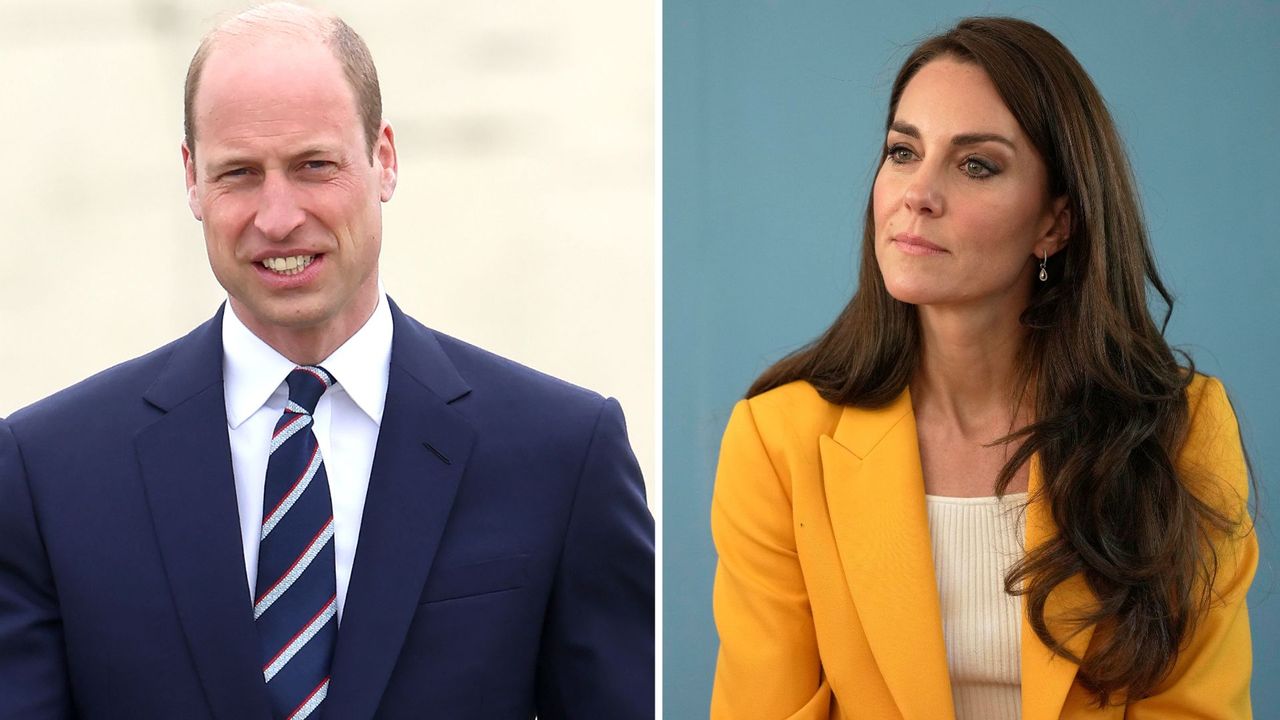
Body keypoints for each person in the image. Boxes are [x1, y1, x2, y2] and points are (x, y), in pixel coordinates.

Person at [0, 4, 653, 719]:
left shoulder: (563, 455)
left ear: (385, 160)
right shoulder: (47, 475)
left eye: (315, 166)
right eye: (239, 173)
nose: (277, 216)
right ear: (191, 178)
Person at [710, 16, 1255, 720]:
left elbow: (1193, 708)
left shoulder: (1179, 431)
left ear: (1054, 223)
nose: (918, 193)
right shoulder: (777, 440)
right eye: (903, 152)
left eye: (976, 165)